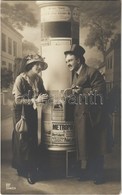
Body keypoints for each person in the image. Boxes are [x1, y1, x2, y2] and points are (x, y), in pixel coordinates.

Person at [64, 44, 111, 184]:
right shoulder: (76, 74)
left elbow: (101, 92)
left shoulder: (92, 72)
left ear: (79, 60)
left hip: (93, 116)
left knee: (96, 145)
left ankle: (99, 175)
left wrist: (81, 92)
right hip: (82, 115)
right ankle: (90, 172)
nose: (68, 64)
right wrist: (69, 96)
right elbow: (78, 94)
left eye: (70, 61)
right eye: (67, 62)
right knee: (86, 145)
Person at [12, 54, 48, 184]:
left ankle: (27, 168)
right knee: (24, 140)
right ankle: (29, 171)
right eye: (37, 64)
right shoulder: (20, 79)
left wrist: (45, 96)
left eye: (41, 65)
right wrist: (35, 99)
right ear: (30, 65)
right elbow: (18, 100)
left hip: (31, 111)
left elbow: (43, 92)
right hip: (20, 112)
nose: (39, 67)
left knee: (32, 138)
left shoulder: (38, 80)